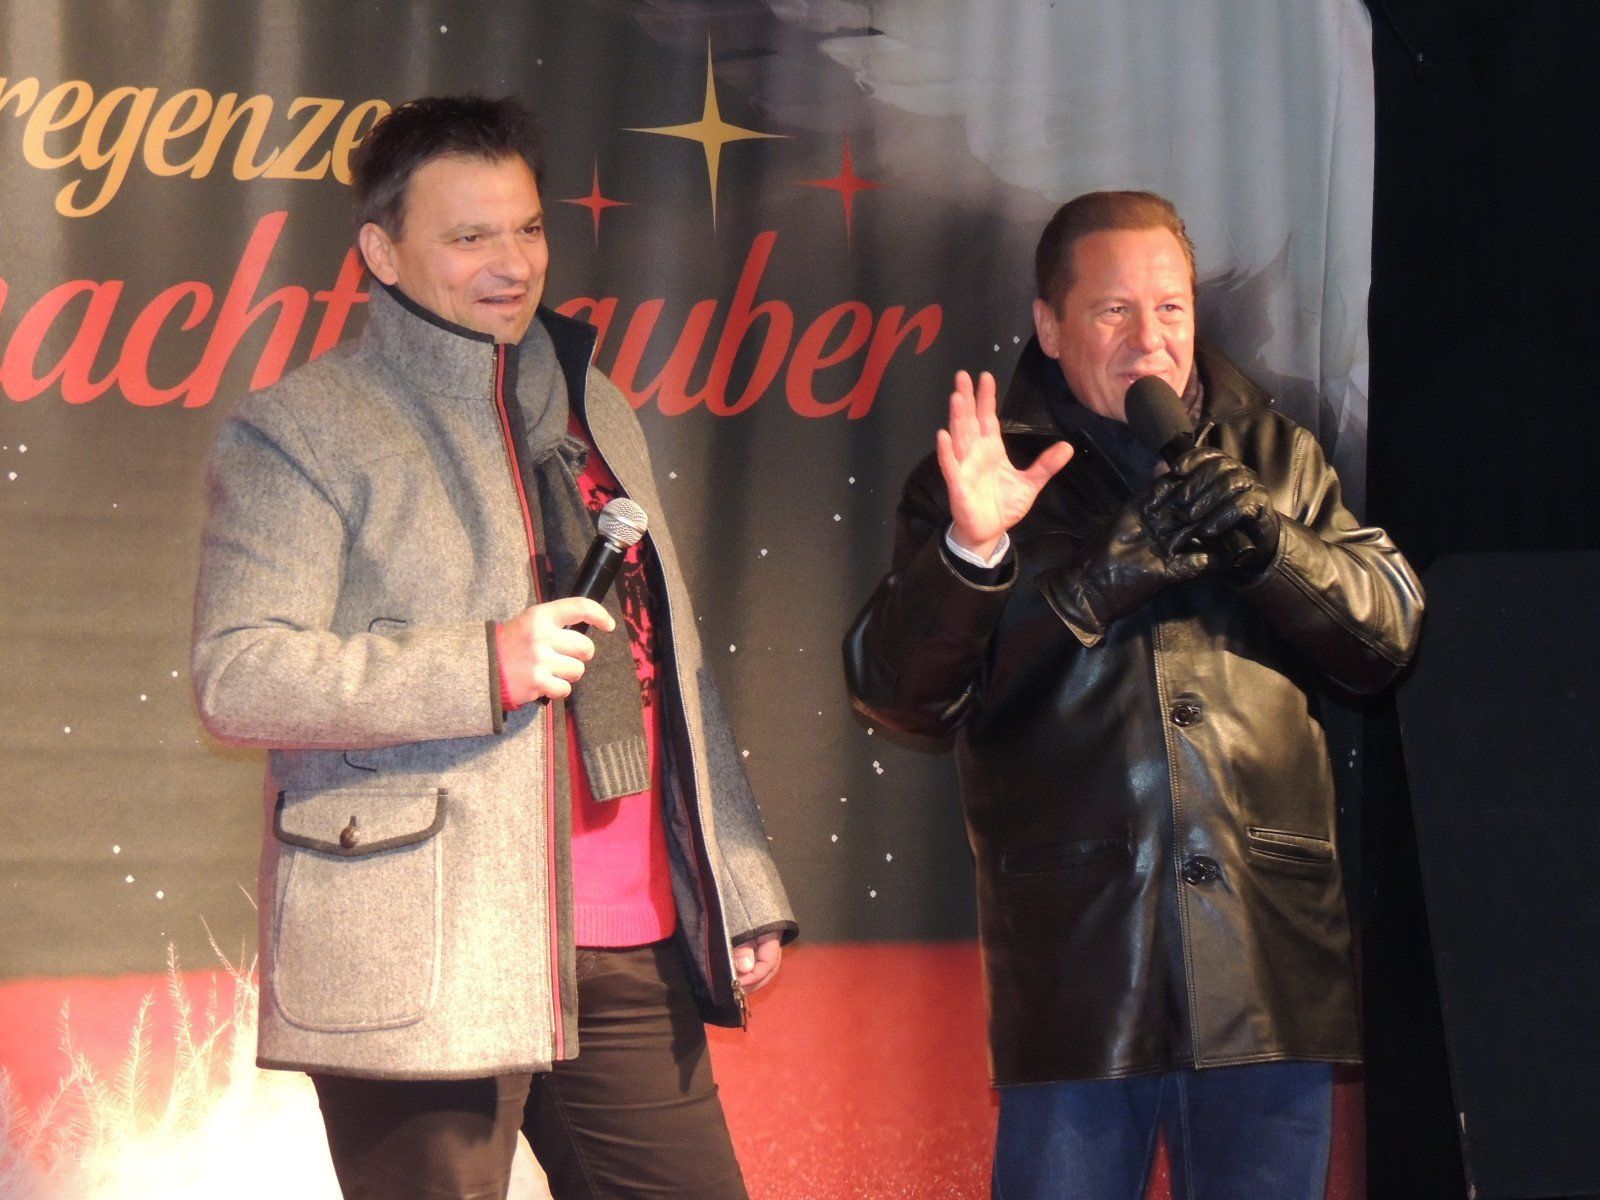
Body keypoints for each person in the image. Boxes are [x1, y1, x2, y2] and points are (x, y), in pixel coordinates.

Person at [192, 95, 795, 1200]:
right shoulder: (304, 426)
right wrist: (485, 665)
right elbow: (240, 674)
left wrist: (737, 877)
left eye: (527, 228)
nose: (512, 264)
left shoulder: (595, 403)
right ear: (382, 253)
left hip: (630, 936)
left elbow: (671, 661)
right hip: (426, 941)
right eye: (469, 236)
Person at [843, 190, 1423, 1199]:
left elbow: (1387, 638)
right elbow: (900, 693)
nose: (1149, 339)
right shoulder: (984, 474)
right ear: (1050, 325)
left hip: (1266, 966)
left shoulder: (1276, 454)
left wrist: (1273, 551)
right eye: (1114, 310)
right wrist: (1013, 560)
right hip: (1080, 971)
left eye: (1170, 309)